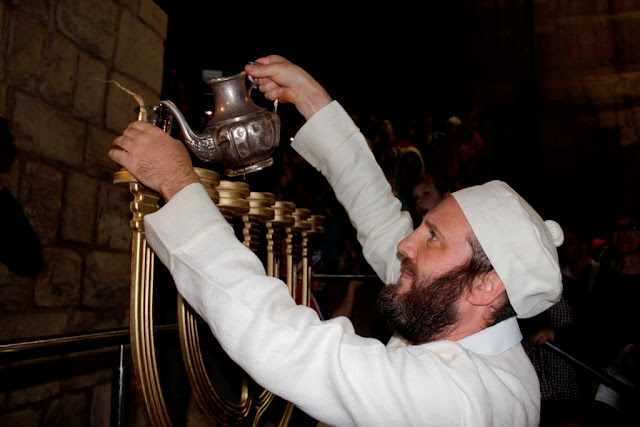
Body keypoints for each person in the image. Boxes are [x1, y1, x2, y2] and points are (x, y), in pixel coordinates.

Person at [109, 55, 565, 426]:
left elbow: (287, 345)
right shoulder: (461, 312)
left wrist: (176, 182)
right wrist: (312, 100)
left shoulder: (462, 402)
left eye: (432, 237)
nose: (406, 244)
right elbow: (381, 219)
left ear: (486, 284)